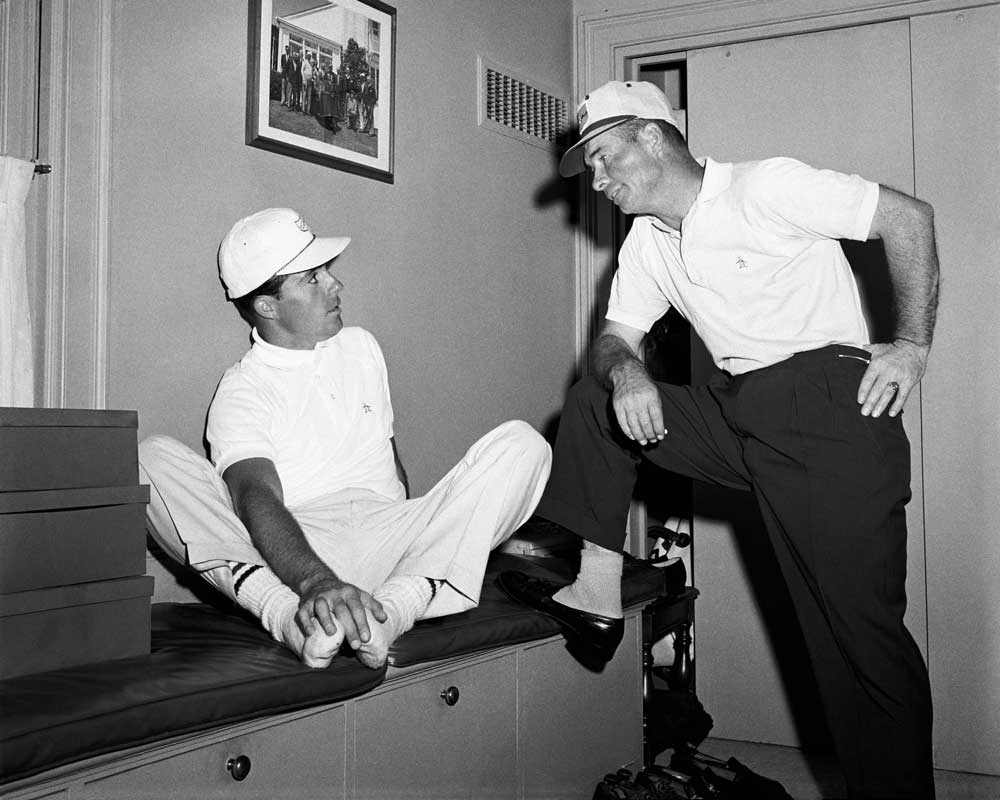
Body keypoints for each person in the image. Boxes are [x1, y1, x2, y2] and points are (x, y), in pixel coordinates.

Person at [499, 81, 939, 800]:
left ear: (650, 136)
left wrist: (911, 344)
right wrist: (631, 374)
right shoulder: (648, 242)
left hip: (831, 412)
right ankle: (599, 589)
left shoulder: (765, 187)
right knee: (595, 400)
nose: (599, 181)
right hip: (740, 416)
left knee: (857, 644)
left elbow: (906, 217)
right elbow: (611, 343)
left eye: (605, 159)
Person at [140, 208, 551, 671]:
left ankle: (394, 609)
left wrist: (414, 542)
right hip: (303, 543)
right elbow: (255, 496)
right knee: (149, 458)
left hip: (392, 537)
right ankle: (286, 616)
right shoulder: (243, 389)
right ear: (268, 306)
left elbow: (390, 463)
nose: (336, 285)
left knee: (524, 444)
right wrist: (314, 581)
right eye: (313, 278)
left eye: (327, 273)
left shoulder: (362, 346)